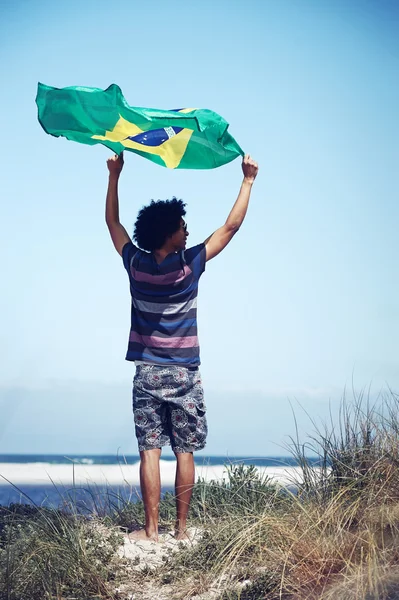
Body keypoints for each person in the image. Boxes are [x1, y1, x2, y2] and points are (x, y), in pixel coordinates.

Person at [105, 152, 258, 541]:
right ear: (169, 234)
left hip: (147, 371)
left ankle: (152, 530)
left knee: (150, 451)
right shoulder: (189, 265)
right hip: (185, 372)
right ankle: (182, 530)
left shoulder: (136, 265)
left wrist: (114, 176)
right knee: (185, 451)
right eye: (183, 226)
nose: (188, 231)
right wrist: (248, 181)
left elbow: (113, 223)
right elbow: (231, 227)